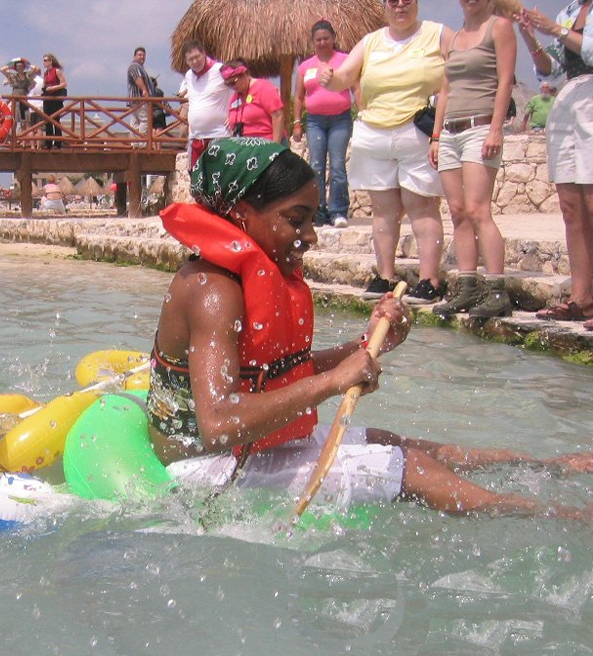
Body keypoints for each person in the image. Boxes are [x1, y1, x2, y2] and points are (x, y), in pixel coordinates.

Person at [148, 137, 593, 520]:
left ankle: (545, 464)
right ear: (243, 213)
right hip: (205, 465)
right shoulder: (213, 291)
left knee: (391, 441)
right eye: (295, 218)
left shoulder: (242, 277)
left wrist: (368, 345)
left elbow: (280, 370)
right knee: (410, 466)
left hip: (242, 449)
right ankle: (556, 517)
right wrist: (332, 382)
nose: (311, 236)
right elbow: (218, 423)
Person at [319, 0, 453, 304]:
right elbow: (345, 77)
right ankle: (385, 275)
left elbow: (459, 71)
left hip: (417, 129)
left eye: (407, 0)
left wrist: (439, 134)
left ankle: (429, 279)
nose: (400, 5)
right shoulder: (371, 41)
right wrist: (331, 79)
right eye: (393, 0)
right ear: (384, 7)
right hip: (373, 132)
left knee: (422, 206)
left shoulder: (438, 33)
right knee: (383, 211)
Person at [430, 0, 517, 320]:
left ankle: (496, 289)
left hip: (480, 128)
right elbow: (446, 89)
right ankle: (467, 286)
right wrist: (436, 135)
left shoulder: (499, 27)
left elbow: (506, 81)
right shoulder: (452, 38)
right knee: (457, 211)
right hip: (450, 133)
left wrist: (496, 129)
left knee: (480, 209)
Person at [519, 1, 593, 326]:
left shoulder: (561, 22)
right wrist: (531, 38)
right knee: (571, 206)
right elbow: (552, 69)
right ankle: (582, 298)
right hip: (568, 101)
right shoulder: (567, 10)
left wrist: (557, 30)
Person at [293, 19, 357, 228]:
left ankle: (338, 210)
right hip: (314, 122)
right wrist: (296, 122)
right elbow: (299, 97)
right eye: (318, 39)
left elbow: (356, 88)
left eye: (326, 38)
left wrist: (363, 111)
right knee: (316, 166)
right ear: (313, 42)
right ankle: (317, 212)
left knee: (337, 165)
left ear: (333, 39)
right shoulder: (305, 67)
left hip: (340, 118)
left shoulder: (345, 60)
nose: (322, 42)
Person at [181, 40, 232, 168]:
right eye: (190, 59)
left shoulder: (220, 70)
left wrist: (234, 114)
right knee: (195, 178)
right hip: (196, 137)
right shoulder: (188, 76)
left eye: (197, 57)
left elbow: (239, 88)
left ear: (204, 53)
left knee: (217, 177)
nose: (194, 62)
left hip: (219, 134)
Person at [222, 59, 284, 142]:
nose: (232, 87)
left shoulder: (264, 88)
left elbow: (278, 115)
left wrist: (276, 146)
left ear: (245, 74)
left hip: (267, 142)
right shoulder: (235, 97)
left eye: (233, 82)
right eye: (227, 84)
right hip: (245, 145)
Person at [0, 58, 36, 128]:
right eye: (18, 66)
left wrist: (28, 64)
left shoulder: (27, 75)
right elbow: (2, 70)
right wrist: (10, 65)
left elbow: (35, 69)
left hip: (24, 99)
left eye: (21, 66)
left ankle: (24, 137)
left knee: (25, 121)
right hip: (15, 100)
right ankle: (14, 136)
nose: (20, 68)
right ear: (15, 68)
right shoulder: (13, 76)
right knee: (14, 120)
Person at [41, 53, 68, 149]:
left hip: (55, 98)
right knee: (47, 120)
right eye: (43, 61)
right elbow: (44, 84)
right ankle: (48, 143)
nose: (43, 63)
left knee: (56, 120)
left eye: (45, 60)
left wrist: (54, 87)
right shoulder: (45, 73)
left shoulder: (56, 71)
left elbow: (64, 84)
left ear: (50, 61)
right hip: (48, 98)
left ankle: (57, 143)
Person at [127, 47, 153, 140]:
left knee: (135, 122)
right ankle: (141, 143)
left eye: (143, 55)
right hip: (139, 98)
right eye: (139, 55)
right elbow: (137, 78)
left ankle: (135, 143)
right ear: (135, 56)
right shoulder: (135, 66)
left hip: (135, 99)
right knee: (145, 120)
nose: (142, 57)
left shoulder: (139, 67)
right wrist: (145, 91)